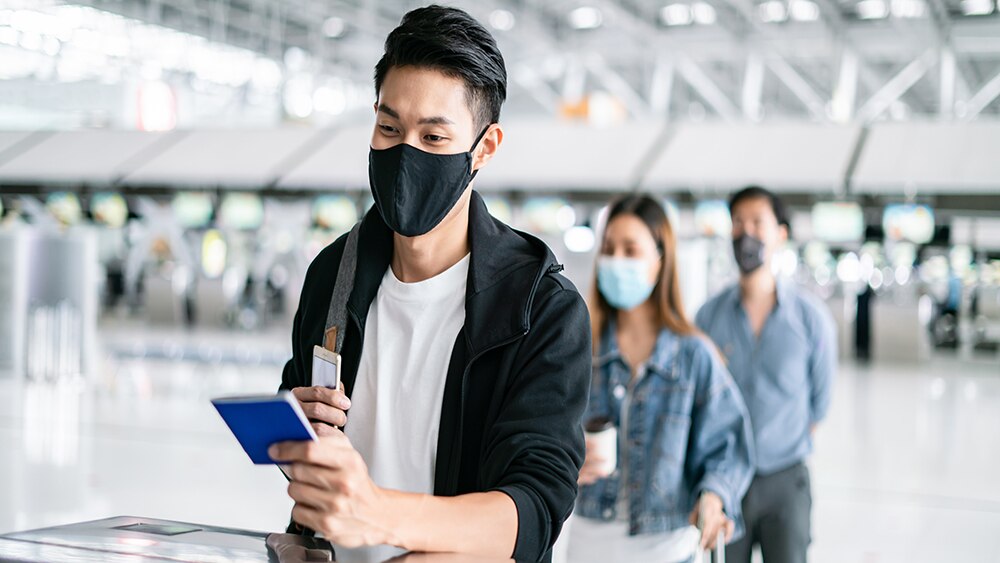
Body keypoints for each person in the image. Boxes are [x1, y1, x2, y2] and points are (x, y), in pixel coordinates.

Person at [271, 6, 592, 563]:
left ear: (485, 148)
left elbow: (533, 509)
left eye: (435, 137)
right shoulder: (333, 276)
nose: (405, 154)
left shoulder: (540, 309)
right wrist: (295, 434)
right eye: (389, 128)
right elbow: (304, 426)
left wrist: (378, 510)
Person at [569, 195, 755, 563]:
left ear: (660, 261)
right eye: (608, 249)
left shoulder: (694, 355)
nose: (615, 261)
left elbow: (727, 446)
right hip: (589, 542)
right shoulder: (576, 349)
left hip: (668, 548)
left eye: (630, 250)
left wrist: (714, 497)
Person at [695, 186, 838, 563]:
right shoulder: (709, 318)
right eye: (738, 223)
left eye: (758, 222)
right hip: (725, 483)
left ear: (781, 234)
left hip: (785, 482)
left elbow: (819, 404)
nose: (746, 233)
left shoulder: (810, 320)